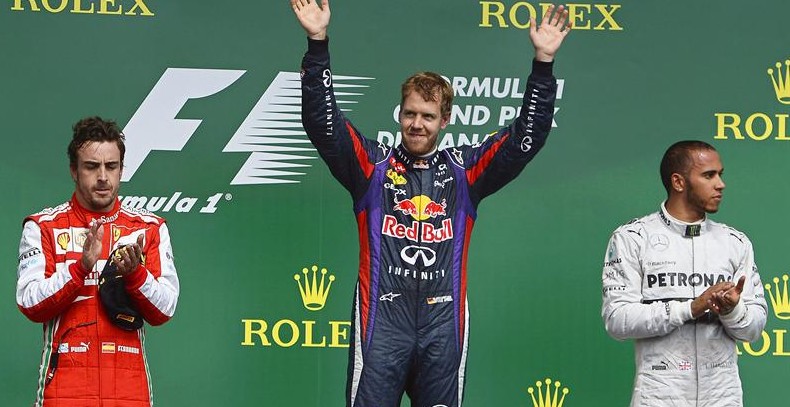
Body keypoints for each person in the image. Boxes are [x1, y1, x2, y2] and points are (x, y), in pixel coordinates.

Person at [292, 1, 570, 405]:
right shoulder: (372, 167)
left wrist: (543, 64)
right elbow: (322, 122)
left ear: (445, 120)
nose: (416, 124)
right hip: (381, 328)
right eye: (410, 114)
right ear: (399, 114)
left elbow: (524, 141)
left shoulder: (464, 172)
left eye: (427, 116)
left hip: (444, 329)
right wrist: (317, 43)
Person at [16, 116, 180, 407]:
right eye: (92, 166)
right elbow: (30, 302)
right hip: (65, 394)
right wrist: (80, 268)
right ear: (74, 171)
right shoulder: (43, 226)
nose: (103, 176)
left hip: (129, 395)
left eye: (111, 166)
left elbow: (165, 309)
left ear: (121, 170)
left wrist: (136, 275)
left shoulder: (149, 228)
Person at [601, 140, 767, 407]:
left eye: (720, 174)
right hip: (658, 397)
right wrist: (690, 308)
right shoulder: (633, 238)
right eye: (709, 175)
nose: (721, 184)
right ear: (678, 182)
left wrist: (732, 310)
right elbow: (617, 320)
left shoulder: (735, 242)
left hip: (723, 397)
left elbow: (753, 330)